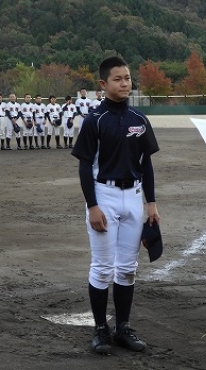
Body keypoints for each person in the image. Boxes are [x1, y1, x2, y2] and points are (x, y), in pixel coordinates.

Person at [71, 56, 160, 355]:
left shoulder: (139, 119)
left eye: (128, 78)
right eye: (117, 79)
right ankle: (100, 329)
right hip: (104, 196)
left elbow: (146, 164)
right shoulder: (94, 120)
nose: (124, 83)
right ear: (103, 84)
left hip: (133, 197)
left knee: (127, 269)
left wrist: (151, 203)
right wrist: (92, 206)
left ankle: (123, 327)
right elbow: (85, 167)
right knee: (102, 268)